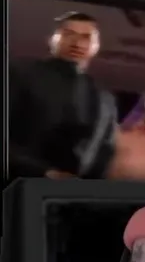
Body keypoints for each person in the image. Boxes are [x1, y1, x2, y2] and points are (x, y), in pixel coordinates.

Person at [9, 11, 117, 180]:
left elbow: (104, 151)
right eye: (68, 34)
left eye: (86, 37)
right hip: (18, 183)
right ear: (52, 39)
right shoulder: (20, 73)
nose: (77, 43)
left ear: (96, 46)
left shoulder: (105, 98)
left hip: (75, 191)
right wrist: (43, 172)